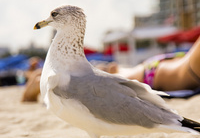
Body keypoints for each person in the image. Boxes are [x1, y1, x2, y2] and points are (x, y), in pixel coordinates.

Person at [21, 37, 200, 102]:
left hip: (157, 68)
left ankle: (37, 76)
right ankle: (37, 80)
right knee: (70, 80)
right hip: (155, 71)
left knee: (96, 73)